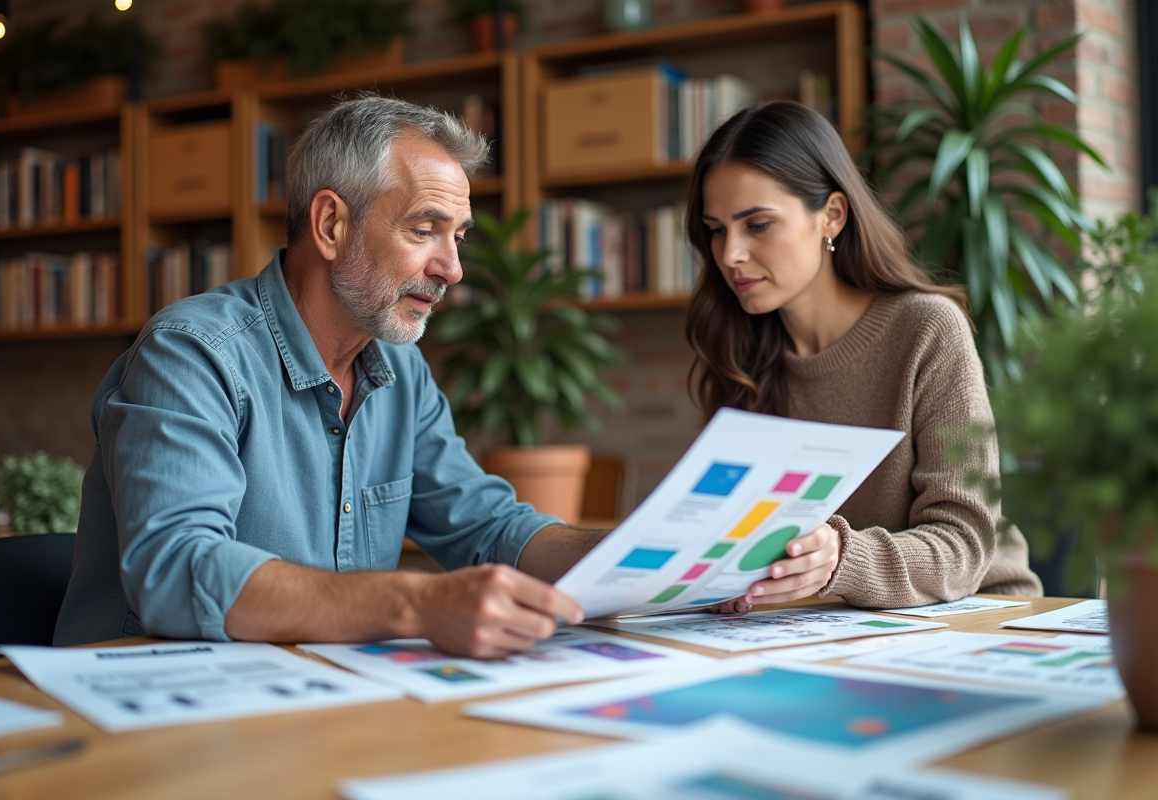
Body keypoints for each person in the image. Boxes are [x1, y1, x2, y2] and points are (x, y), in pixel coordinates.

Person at [55, 95, 603, 657]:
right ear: (331, 224)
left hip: (320, 699)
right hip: (152, 705)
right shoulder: (193, 353)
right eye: (423, 230)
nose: (453, 269)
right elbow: (176, 569)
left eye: (457, 236)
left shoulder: (402, 371)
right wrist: (416, 605)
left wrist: (645, 558)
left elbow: (489, 528)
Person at [684, 101, 1042, 613]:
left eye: (757, 225)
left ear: (831, 215)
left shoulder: (927, 329)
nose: (729, 254)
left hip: (977, 616)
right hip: (827, 629)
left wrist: (840, 559)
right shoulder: (740, 352)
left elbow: (963, 545)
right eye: (716, 229)